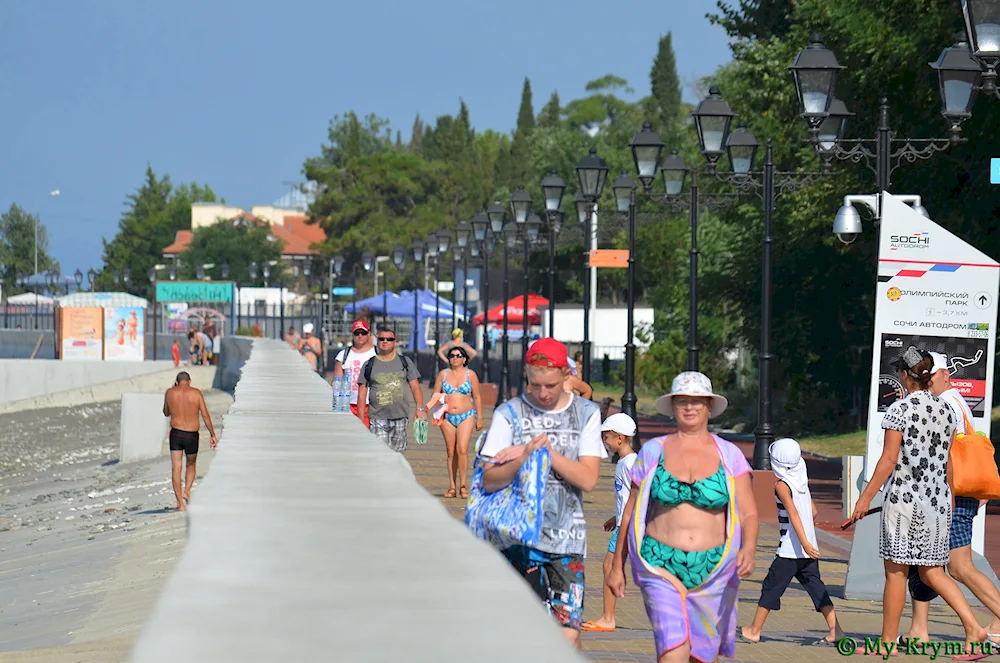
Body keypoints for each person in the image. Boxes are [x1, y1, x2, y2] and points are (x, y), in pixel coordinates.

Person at [608, 371, 758, 663]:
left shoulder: (730, 455)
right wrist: (617, 566)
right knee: (673, 652)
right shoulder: (652, 452)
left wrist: (749, 548)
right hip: (659, 564)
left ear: (709, 407)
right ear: (673, 407)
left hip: (714, 567)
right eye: (683, 402)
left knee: (702, 656)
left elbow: (749, 512)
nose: (690, 407)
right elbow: (630, 511)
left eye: (697, 402)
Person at [852, 347, 987, 657]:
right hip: (939, 502)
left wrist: (865, 498)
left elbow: (888, 460)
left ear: (904, 375)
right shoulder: (947, 410)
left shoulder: (899, 410)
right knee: (932, 572)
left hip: (905, 502)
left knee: (896, 573)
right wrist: (950, 496)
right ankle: (973, 628)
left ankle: (887, 644)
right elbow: (949, 461)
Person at [479, 338, 606, 650]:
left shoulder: (586, 413)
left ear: (565, 374)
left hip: (567, 541)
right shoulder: (509, 413)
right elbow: (489, 479)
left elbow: (588, 479)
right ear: (526, 375)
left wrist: (546, 452)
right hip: (516, 539)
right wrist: (523, 458)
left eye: (550, 384)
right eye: (535, 385)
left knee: (568, 634)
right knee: (521, 635)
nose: (543, 393)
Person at [899, 351, 1000, 651]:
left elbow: (942, 456)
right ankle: (918, 628)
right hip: (952, 494)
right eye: (925, 376)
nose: (928, 382)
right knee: (925, 563)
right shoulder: (955, 402)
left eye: (933, 376)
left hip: (950, 495)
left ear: (946, 375)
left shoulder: (947, 405)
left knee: (958, 567)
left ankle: (994, 621)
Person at [739, 438, 845, 645]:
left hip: (790, 550)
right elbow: (812, 512)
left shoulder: (782, 486)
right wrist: (808, 542)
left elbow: (793, 514)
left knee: (771, 587)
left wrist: (802, 542)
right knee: (817, 588)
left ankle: (754, 630)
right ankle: (836, 630)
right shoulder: (801, 481)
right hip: (809, 551)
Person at [582, 412, 639, 633]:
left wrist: (624, 520)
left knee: (610, 566)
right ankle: (608, 616)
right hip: (624, 521)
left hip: (629, 525)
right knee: (612, 566)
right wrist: (615, 517)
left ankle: (608, 617)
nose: (605, 441)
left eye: (607, 436)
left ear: (620, 439)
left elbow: (638, 495)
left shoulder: (630, 463)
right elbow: (627, 496)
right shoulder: (625, 462)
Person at [356, 327, 426, 454]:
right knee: (380, 453)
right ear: (377, 341)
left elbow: (415, 387)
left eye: (389, 339)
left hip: (400, 416)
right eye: (381, 339)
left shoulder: (405, 362)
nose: (385, 341)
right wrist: (361, 419)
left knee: (397, 455)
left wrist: (420, 409)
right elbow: (362, 392)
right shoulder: (369, 364)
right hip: (377, 417)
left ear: (395, 342)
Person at [430, 345, 483, 498]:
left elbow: (477, 397)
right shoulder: (443, 374)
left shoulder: (470, 374)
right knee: (451, 452)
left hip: (466, 415)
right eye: (452, 355)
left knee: (463, 450)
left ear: (464, 359)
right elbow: (435, 394)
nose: (455, 358)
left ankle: (464, 486)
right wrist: (433, 406)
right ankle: (452, 487)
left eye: (458, 355)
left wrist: (479, 417)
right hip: (447, 417)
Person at [162, 372, 218, 512]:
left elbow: (166, 412)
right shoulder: (196, 393)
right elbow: (205, 415)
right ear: (189, 381)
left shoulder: (170, 392)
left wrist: (172, 393)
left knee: (176, 466)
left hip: (176, 433)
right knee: (191, 464)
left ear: (177, 382)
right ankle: (187, 490)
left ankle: (180, 504)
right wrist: (212, 434)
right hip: (192, 435)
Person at [333, 320, 377, 426]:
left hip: (371, 405)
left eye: (363, 333)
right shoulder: (344, 355)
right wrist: (338, 406)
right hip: (348, 405)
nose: (360, 336)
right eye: (357, 333)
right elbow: (336, 382)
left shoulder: (377, 353)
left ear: (369, 334)